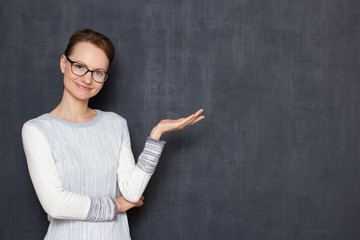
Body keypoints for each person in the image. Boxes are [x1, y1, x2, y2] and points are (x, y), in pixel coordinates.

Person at [21, 28, 204, 240]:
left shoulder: (116, 124)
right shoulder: (37, 130)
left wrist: (156, 135)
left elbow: (133, 193)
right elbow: (55, 205)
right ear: (64, 63)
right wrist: (116, 205)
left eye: (98, 72)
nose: (87, 79)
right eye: (80, 66)